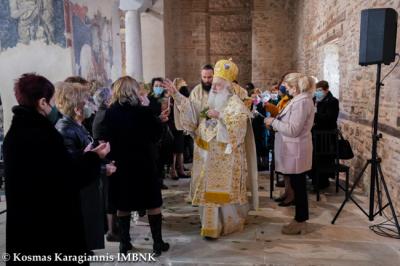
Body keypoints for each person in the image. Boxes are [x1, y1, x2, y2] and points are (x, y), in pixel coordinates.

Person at [4, 73, 110, 265]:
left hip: (25, 225)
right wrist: (94, 157)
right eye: (53, 101)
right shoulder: (44, 136)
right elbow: (67, 179)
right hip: (50, 227)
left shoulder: (14, 134)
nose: (55, 107)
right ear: (42, 102)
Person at [165, 59, 259, 239]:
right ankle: (209, 227)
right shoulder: (211, 101)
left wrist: (221, 116)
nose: (213, 88)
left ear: (227, 86)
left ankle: (226, 225)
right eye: (213, 84)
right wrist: (176, 95)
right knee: (208, 196)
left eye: (217, 85)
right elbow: (193, 112)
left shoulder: (234, 103)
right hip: (205, 156)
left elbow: (238, 128)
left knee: (220, 197)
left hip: (224, 158)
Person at [101, 76, 170, 256]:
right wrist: (158, 121)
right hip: (144, 163)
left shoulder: (111, 112)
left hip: (121, 164)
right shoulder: (143, 111)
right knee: (152, 203)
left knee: (123, 205)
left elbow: (105, 136)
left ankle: (124, 244)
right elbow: (156, 136)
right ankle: (157, 243)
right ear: (133, 91)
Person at [54, 82, 116, 253]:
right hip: (79, 194)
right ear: (77, 108)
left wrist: (101, 160)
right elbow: (72, 167)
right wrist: (103, 169)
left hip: (88, 189)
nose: (90, 105)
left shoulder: (75, 125)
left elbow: (85, 155)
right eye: (86, 101)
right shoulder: (65, 129)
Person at [265, 73, 315, 235]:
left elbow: (293, 130)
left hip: (296, 149)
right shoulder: (299, 100)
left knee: (299, 187)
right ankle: (300, 220)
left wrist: (273, 122)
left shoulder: (302, 102)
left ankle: (300, 221)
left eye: (288, 86)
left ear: (295, 87)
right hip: (294, 149)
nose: (286, 89)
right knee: (297, 185)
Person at [92, 87, 120, 242]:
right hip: (107, 159)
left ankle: (113, 228)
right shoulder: (104, 115)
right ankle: (111, 231)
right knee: (110, 197)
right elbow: (104, 140)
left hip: (106, 158)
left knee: (110, 196)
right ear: (108, 100)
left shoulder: (101, 113)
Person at [265, 84, 295, 206]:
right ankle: (287, 192)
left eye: (288, 87)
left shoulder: (293, 101)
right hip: (280, 135)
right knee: (284, 169)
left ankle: (291, 195)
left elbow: (290, 122)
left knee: (289, 170)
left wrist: (274, 120)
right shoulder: (285, 100)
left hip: (288, 138)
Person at [310, 80, 339, 189]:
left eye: (320, 90)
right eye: (316, 90)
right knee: (314, 158)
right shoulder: (315, 100)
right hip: (315, 133)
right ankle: (314, 179)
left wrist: (315, 115)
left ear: (326, 90)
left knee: (323, 159)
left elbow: (330, 118)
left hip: (326, 135)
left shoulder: (332, 101)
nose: (318, 92)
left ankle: (322, 181)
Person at [149, 77, 171, 190]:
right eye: (156, 86)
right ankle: (154, 181)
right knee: (154, 158)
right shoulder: (149, 99)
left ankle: (160, 180)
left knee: (162, 157)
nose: (158, 88)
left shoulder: (165, 98)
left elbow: (168, 112)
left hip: (163, 129)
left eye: (160, 86)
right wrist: (158, 118)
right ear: (152, 87)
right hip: (152, 131)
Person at [168, 78, 191, 180]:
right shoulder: (171, 97)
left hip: (180, 125)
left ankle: (180, 169)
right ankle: (173, 170)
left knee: (180, 149)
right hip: (173, 125)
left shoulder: (180, 95)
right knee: (174, 150)